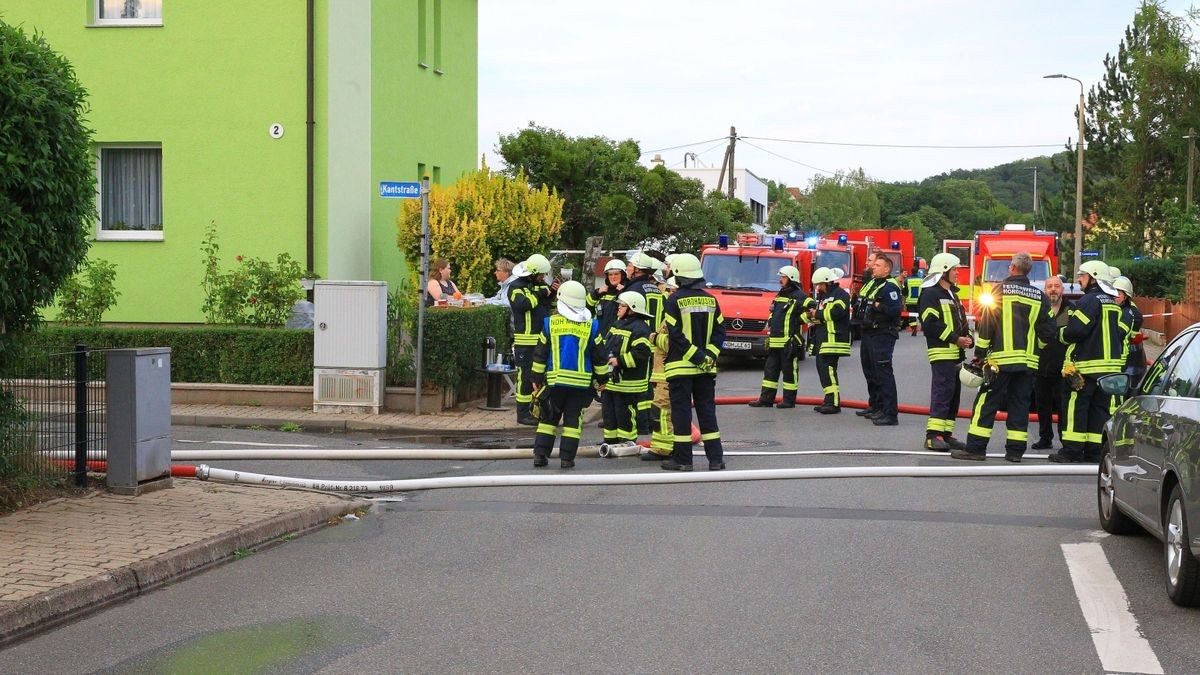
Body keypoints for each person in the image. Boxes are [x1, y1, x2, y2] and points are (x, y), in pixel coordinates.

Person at [952, 252, 1054, 462]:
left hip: (1000, 362)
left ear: (1011, 268)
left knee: (986, 403)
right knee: (1020, 405)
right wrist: (1036, 349)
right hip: (1027, 364)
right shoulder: (1039, 296)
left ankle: (976, 449)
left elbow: (987, 325)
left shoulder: (999, 290)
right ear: (1028, 270)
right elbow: (1048, 331)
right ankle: (1015, 452)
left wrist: (979, 354)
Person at [1050, 261, 1129, 463]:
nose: (1078, 280)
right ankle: (1094, 451)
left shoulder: (1089, 301)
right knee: (1099, 410)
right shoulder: (1112, 302)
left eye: (1082, 276)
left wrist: (1059, 335)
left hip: (1086, 367)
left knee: (1076, 408)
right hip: (1108, 369)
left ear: (1094, 277)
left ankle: (1072, 451)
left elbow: (1076, 330)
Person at [658, 253, 726, 472]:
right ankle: (716, 460)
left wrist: (695, 356)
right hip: (706, 368)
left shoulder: (673, 300)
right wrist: (709, 357)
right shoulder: (711, 299)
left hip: (681, 367)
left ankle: (683, 460)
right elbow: (720, 332)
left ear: (678, 275)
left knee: (681, 413)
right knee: (707, 412)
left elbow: (675, 336)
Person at [529, 280, 606, 469]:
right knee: (572, 422)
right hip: (580, 385)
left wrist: (536, 378)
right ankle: (567, 459)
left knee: (548, 419)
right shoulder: (592, 326)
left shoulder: (550, 323)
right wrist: (602, 379)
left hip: (554, 382)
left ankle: (540, 456)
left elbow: (540, 353)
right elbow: (599, 356)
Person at [918, 253, 973, 451]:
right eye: (955, 270)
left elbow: (960, 321)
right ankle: (933, 436)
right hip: (942, 353)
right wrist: (955, 339)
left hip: (956, 354)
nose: (958, 273)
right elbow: (930, 324)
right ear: (943, 271)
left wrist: (967, 338)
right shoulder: (930, 294)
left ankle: (946, 434)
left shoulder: (952, 294)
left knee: (953, 396)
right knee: (942, 394)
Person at [600, 292, 654, 449]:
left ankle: (627, 443)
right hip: (612, 382)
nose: (618, 308)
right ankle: (610, 441)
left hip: (629, 384)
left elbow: (642, 353)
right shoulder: (617, 324)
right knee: (609, 414)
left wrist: (619, 361)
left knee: (625, 414)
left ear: (632, 309)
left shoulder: (641, 329)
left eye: (622, 306)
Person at [748, 265, 807, 409]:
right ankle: (766, 399)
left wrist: (798, 320)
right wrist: (770, 321)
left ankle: (789, 401)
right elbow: (774, 312)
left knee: (789, 374)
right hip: (775, 342)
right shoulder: (780, 295)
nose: (781, 280)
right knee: (770, 372)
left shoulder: (800, 296)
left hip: (788, 343)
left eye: (783, 277)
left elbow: (812, 312)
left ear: (791, 279)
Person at [508, 253, 555, 426]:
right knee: (525, 378)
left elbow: (546, 301)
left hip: (541, 339)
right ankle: (523, 414)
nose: (543, 278)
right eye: (541, 275)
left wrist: (552, 292)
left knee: (541, 376)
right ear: (532, 273)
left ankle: (539, 409)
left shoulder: (537, 284)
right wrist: (541, 293)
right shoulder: (515, 287)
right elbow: (524, 304)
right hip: (526, 341)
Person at [859, 254, 904, 426]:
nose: (874, 267)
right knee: (871, 372)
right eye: (874, 264)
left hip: (882, 333)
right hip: (869, 331)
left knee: (883, 373)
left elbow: (894, 310)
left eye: (878, 265)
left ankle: (890, 413)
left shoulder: (890, 286)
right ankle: (877, 406)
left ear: (887, 269)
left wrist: (877, 306)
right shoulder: (872, 283)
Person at [1031, 274, 1072, 450]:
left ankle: (1065, 439)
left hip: (1063, 368)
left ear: (1062, 289)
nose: (1053, 289)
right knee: (1042, 405)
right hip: (1041, 366)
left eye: (1056, 286)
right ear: (1045, 290)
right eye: (1049, 286)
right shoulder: (1039, 308)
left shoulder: (1071, 309)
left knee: (1063, 406)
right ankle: (1045, 437)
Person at [625, 252, 665, 434]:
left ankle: (641, 425)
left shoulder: (634, 290)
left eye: (630, 265)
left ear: (637, 269)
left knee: (640, 386)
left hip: (638, 341)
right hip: (654, 343)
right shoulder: (656, 289)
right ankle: (650, 421)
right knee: (650, 386)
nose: (627, 268)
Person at [644, 274, 678, 461]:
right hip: (662, 373)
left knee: (662, 411)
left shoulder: (676, 314)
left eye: (672, 291)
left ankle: (663, 449)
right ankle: (667, 446)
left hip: (667, 373)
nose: (669, 294)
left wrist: (655, 338)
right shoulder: (671, 312)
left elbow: (674, 343)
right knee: (663, 411)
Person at [809, 267, 851, 414]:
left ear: (827, 282)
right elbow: (821, 316)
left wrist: (818, 313)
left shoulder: (841, 295)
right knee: (823, 371)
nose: (818, 287)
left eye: (820, 284)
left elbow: (837, 312)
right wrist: (813, 316)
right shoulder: (824, 296)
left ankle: (833, 403)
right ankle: (828, 400)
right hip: (823, 339)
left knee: (829, 371)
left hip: (833, 339)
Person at [1113, 276, 1147, 387]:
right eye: (1113, 292)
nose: (1115, 296)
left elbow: (1118, 334)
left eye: (1118, 293)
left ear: (1125, 296)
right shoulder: (1115, 310)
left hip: (1120, 361)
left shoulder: (1127, 314)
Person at [588, 258, 626, 336]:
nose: (613, 277)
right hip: (599, 337)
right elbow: (587, 307)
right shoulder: (601, 292)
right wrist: (596, 294)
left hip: (616, 338)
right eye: (610, 274)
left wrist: (624, 293)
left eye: (616, 274)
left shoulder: (628, 291)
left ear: (622, 275)